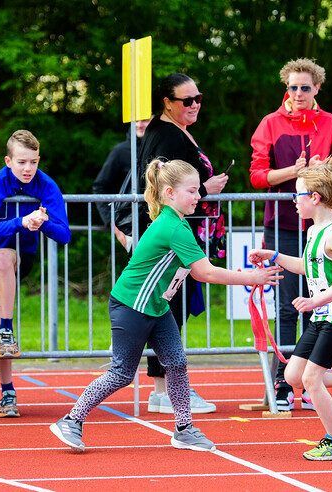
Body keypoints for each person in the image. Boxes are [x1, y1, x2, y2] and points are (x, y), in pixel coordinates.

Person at [50, 158, 282, 452]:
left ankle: (184, 428)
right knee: (121, 373)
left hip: (158, 308)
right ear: (170, 192)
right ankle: (72, 419)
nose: (199, 197)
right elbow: (204, 272)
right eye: (193, 191)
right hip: (131, 306)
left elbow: (200, 268)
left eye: (199, 190)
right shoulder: (173, 227)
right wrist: (253, 277)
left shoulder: (177, 223)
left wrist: (247, 275)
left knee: (177, 363)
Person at [248, 157, 332, 461]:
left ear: (314, 198)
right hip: (321, 316)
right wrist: (274, 255)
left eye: (298, 195)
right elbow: (306, 267)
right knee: (294, 375)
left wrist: (314, 301)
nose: (294, 201)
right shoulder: (311, 233)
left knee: (311, 380)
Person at [117, 73, 230, 414]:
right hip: (172, 238)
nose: (195, 105)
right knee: (167, 308)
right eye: (187, 100)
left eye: (198, 98)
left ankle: (166, 389)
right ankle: (165, 390)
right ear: (167, 103)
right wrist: (206, 189)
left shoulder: (173, 132)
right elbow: (164, 185)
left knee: (169, 310)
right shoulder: (166, 135)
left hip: (178, 234)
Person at [249, 58, 332, 412]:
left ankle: (308, 380)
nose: (298, 93)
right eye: (292, 87)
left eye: (305, 87)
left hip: (319, 224)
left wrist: (324, 172)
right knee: (287, 305)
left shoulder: (331, 123)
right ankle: (282, 381)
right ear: (285, 88)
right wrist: (294, 171)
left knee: (317, 302)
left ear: (317, 88)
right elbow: (257, 177)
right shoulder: (270, 124)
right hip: (282, 222)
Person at [0, 130, 70, 418]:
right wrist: (20, 221)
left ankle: (7, 327)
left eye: (33, 162)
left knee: (5, 258)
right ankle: (7, 392)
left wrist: (42, 224)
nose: (28, 169)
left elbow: (63, 234)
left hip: (20, 257)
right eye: (21, 162)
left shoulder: (46, 185)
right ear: (8, 161)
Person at [92, 118, 150, 241]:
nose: (139, 125)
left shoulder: (163, 148)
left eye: (145, 120)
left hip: (160, 223)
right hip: (130, 228)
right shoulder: (120, 151)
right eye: (136, 120)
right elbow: (100, 186)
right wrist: (112, 222)